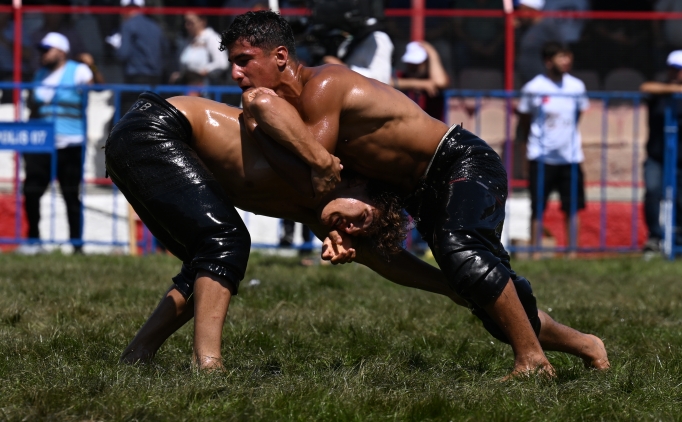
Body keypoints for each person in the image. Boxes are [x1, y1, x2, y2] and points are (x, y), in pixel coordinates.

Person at [222, 10, 609, 378]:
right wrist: (339, 228)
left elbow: (316, 178)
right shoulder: (292, 110)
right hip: (419, 191)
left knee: (465, 256)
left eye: (244, 60)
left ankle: (533, 362)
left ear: (280, 56)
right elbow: (332, 187)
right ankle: (586, 345)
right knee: (484, 297)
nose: (236, 74)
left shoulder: (323, 87)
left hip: (459, 161)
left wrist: (256, 125)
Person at [107, 92, 466, 370]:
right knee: (225, 244)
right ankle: (207, 365)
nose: (351, 229)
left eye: (356, 232)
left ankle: (137, 355)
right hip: (155, 127)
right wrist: (318, 158)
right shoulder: (317, 163)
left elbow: (385, 261)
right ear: (358, 184)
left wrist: (451, 289)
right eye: (361, 219)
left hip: (137, 138)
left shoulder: (311, 208)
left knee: (209, 264)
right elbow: (258, 102)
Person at [19, 32, 94, 255]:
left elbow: (97, 87)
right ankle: (34, 241)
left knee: (71, 194)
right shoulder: (39, 74)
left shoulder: (78, 70)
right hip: (42, 143)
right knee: (31, 191)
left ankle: (77, 245)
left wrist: (93, 68)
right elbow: (33, 109)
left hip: (71, 143)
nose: (42, 54)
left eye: (47, 49)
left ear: (62, 52)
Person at [516, 42, 589, 258]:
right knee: (538, 206)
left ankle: (572, 253)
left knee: (573, 206)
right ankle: (536, 252)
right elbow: (524, 123)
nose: (566, 61)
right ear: (548, 61)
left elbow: (578, 116)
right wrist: (525, 156)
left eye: (568, 56)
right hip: (541, 156)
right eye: (560, 57)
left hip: (571, 157)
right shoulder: (534, 87)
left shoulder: (577, 86)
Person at [639, 50, 682, 254]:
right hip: (657, 155)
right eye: (673, 69)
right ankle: (655, 237)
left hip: (680, 157)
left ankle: (678, 237)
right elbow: (645, 87)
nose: (676, 73)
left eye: (680, 70)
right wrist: (673, 89)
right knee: (653, 191)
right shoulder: (660, 90)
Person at [107, 0, 168, 112]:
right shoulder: (156, 27)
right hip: (156, 79)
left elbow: (122, 54)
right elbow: (165, 51)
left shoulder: (128, 25)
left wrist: (115, 49)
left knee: (125, 116)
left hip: (135, 80)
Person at [393, 40, 449, 122]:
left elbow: (440, 82)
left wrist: (432, 54)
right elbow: (386, 82)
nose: (413, 67)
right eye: (410, 63)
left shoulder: (432, 78)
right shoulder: (401, 77)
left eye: (417, 64)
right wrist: (421, 84)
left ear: (427, 62)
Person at [169, 13, 229, 89]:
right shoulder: (188, 40)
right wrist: (180, 75)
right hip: (188, 86)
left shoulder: (212, 38)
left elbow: (222, 63)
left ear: (202, 22)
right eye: (186, 22)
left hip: (206, 87)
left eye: (191, 22)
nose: (187, 26)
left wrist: (205, 70)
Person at [515, 0, 565, 86]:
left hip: (544, 83)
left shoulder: (548, 27)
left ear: (531, 10)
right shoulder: (524, 28)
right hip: (525, 82)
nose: (519, 13)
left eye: (522, 10)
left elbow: (562, 51)